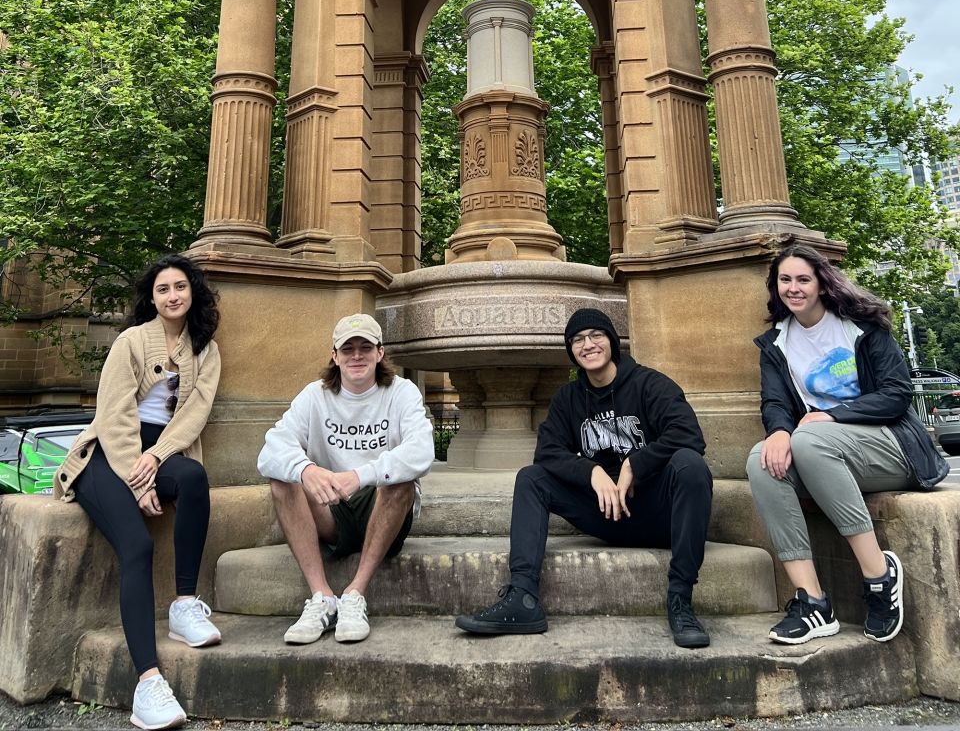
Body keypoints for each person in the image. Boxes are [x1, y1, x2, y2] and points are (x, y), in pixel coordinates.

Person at [455, 307, 714, 648]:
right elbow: (547, 452)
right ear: (571, 351)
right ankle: (523, 597)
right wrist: (591, 471)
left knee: (691, 465)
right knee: (531, 478)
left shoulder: (650, 384)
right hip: (604, 514)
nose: (587, 345)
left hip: (660, 516)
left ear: (611, 343)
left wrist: (637, 464)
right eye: (577, 339)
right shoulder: (569, 398)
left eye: (596, 336)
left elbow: (689, 435)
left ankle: (680, 599)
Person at [747, 243, 949, 646]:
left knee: (809, 438)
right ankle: (813, 602)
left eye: (803, 279)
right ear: (775, 286)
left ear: (821, 283)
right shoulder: (776, 343)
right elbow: (774, 402)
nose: (794, 288)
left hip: (894, 449)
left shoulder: (861, 326)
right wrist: (779, 431)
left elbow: (896, 393)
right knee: (760, 461)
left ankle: (878, 577)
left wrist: (832, 415)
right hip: (823, 452)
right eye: (785, 280)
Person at [55, 254, 222, 731]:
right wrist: (137, 474)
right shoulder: (131, 341)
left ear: (193, 293)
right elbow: (113, 414)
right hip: (107, 456)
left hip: (157, 451)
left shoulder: (204, 350)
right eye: (163, 289)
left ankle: (184, 604)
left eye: (180, 287)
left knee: (191, 479)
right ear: (151, 298)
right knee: (137, 546)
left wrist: (157, 459)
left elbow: (194, 415)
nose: (173, 296)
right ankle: (147, 682)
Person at [257, 313, 434, 646]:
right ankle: (322, 597)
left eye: (365, 347)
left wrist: (360, 475)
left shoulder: (401, 392)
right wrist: (306, 470)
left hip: (382, 509)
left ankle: (354, 594)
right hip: (331, 508)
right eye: (347, 348)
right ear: (334, 355)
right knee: (283, 479)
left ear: (380, 353)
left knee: (401, 481)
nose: (356, 356)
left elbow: (421, 451)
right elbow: (270, 450)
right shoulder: (315, 395)